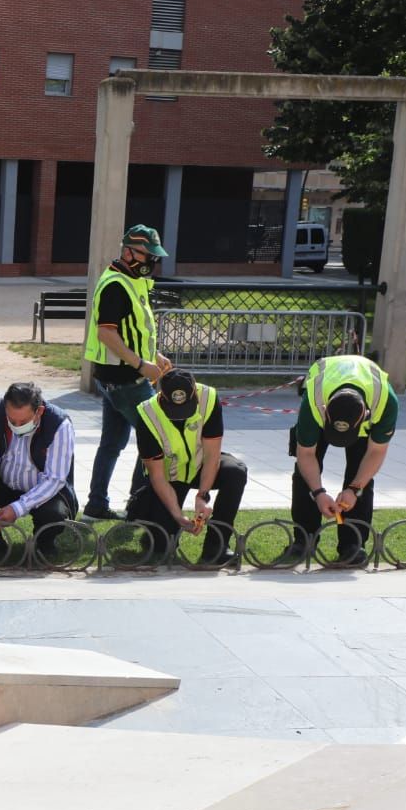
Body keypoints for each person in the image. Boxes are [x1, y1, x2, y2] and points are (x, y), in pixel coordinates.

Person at [83, 224, 174, 521]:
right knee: (156, 439)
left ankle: (96, 506)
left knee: (112, 442)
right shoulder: (115, 285)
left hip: (118, 378)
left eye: (154, 257)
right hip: (125, 379)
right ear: (128, 252)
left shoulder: (131, 280)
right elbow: (107, 334)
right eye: (148, 256)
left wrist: (154, 356)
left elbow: (133, 331)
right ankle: (138, 506)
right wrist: (140, 364)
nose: (152, 263)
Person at [281, 354, 399, 567]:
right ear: (325, 412)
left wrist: (354, 489)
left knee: (361, 475)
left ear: (366, 415)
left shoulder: (386, 401)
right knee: (304, 475)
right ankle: (303, 541)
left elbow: (376, 452)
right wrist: (318, 493)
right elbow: (306, 454)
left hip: (365, 417)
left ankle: (352, 545)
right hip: (324, 400)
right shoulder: (314, 401)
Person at [126, 369, 247, 566]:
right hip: (169, 475)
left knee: (235, 472)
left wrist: (203, 496)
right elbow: (157, 475)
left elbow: (212, 455)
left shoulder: (209, 398)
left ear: (195, 395)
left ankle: (216, 547)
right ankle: (155, 534)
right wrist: (178, 516)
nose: (179, 416)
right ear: (161, 397)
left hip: (201, 465)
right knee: (161, 545)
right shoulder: (146, 413)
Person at [0, 382, 76, 565]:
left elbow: (54, 479)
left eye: (23, 422)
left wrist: (18, 508)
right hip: (5, 483)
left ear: (39, 412)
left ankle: (44, 546)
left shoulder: (59, 424)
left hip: (44, 491)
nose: (16, 426)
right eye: (12, 420)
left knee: (54, 512)